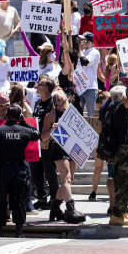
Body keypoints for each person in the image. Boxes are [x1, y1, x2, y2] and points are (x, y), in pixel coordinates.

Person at [0, 105, 41, 238]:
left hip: (1, 170)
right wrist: (24, 121)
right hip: (19, 170)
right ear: (19, 116)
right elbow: (37, 134)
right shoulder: (25, 131)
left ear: (6, 115)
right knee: (19, 200)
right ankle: (19, 231)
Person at [41, 89, 86, 224]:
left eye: (59, 100)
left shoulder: (71, 113)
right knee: (65, 177)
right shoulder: (50, 116)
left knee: (69, 179)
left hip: (72, 147)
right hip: (58, 148)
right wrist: (51, 131)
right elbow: (43, 137)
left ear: (65, 100)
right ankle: (70, 208)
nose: (56, 103)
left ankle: (55, 208)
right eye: (54, 100)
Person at [107, 72, 128, 226]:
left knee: (123, 182)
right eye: (125, 97)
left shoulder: (115, 110)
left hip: (120, 151)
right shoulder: (120, 109)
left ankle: (122, 212)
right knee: (125, 183)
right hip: (123, 151)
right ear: (122, 97)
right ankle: (117, 215)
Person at [30, 75, 59, 211]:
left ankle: (54, 199)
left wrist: (47, 140)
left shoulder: (52, 104)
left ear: (46, 88)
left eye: (39, 84)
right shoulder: (37, 102)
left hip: (49, 144)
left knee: (50, 171)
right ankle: (42, 197)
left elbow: (56, 124)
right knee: (36, 171)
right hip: (37, 143)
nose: (36, 86)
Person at [77, 32, 101, 116]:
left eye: (84, 40)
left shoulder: (94, 52)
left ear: (89, 42)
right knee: (79, 114)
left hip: (90, 88)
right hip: (80, 88)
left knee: (90, 116)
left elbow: (84, 62)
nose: (81, 41)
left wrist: (80, 49)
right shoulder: (80, 52)